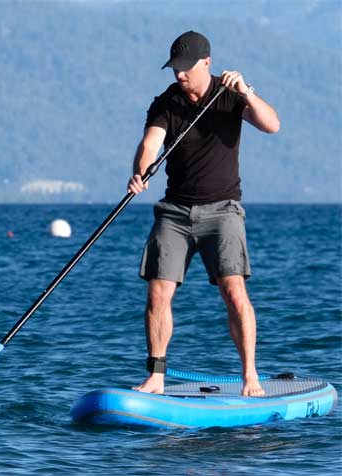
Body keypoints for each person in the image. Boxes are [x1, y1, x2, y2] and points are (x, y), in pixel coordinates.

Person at [127, 31, 280, 397]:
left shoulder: (230, 96)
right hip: (174, 212)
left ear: (206, 63)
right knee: (157, 294)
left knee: (234, 291)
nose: (179, 75)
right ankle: (157, 377)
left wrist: (246, 92)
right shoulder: (167, 102)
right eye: (174, 69)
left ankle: (250, 378)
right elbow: (150, 142)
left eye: (185, 69)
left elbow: (271, 124)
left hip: (222, 211)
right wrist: (140, 171)